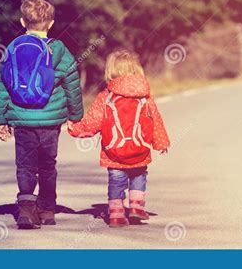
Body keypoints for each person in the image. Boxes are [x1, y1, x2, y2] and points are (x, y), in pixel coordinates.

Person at [0, 0, 83, 229]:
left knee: (25, 165)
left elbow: (2, 84)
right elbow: (72, 84)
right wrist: (75, 116)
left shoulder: (13, 47)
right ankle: (47, 210)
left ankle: (25, 209)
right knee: (47, 165)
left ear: (23, 22)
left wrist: (2, 119)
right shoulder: (59, 50)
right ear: (51, 23)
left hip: (22, 120)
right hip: (50, 122)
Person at [68, 50, 170, 228]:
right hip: (140, 149)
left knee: (116, 180)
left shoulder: (106, 97)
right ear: (136, 69)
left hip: (113, 152)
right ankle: (137, 207)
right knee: (139, 175)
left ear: (111, 71)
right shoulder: (145, 97)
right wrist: (161, 143)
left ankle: (116, 214)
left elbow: (92, 123)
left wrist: (75, 129)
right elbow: (155, 120)